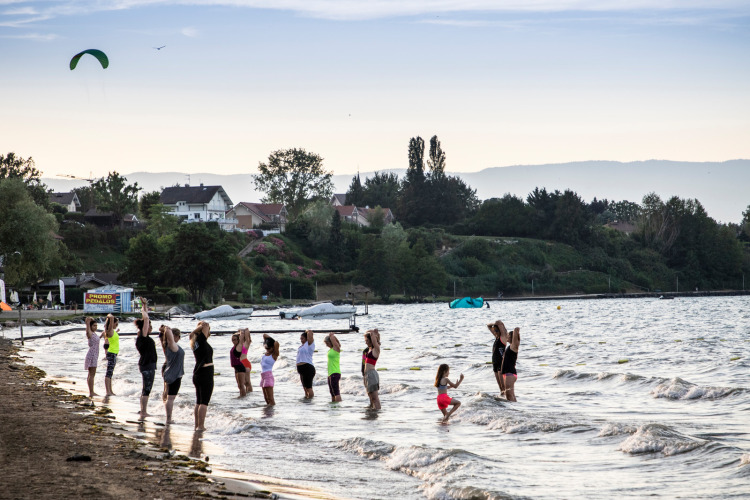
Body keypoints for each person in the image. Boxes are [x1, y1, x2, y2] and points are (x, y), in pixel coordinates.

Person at [134, 297, 157, 419]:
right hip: (147, 365)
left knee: (145, 388)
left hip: (145, 365)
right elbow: (146, 319)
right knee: (147, 389)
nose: (151, 328)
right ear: (145, 328)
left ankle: (142, 410)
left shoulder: (142, 338)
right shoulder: (143, 337)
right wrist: (144, 306)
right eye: (149, 326)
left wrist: (144, 306)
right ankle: (144, 411)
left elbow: (145, 319)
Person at [190, 321, 214, 431]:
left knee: (199, 401)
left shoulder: (195, 342)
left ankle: (197, 425)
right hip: (205, 372)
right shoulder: (200, 340)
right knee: (204, 401)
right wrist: (203, 326)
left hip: (198, 373)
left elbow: (193, 333)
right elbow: (205, 326)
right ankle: (200, 426)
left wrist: (198, 328)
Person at [159, 325, 185, 424]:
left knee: (168, 395)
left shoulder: (167, 344)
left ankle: (167, 415)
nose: (179, 338)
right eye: (179, 336)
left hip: (170, 372)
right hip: (173, 374)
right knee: (170, 398)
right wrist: (167, 329)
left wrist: (163, 331)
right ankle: (169, 419)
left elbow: (165, 336)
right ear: (175, 336)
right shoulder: (172, 346)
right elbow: (169, 335)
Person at [487, 320, 509, 397]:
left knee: (503, 386)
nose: (495, 331)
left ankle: (507, 400)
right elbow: (488, 325)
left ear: (500, 330)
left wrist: (499, 324)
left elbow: (498, 322)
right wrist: (494, 325)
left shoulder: (503, 337)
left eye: (496, 330)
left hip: (501, 363)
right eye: (494, 330)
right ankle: (502, 400)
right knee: (500, 388)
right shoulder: (497, 337)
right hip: (495, 363)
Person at [362, 329, 381, 410]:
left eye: (367, 340)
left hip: (372, 374)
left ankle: (377, 412)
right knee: (371, 397)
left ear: (371, 340)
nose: (365, 342)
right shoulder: (368, 349)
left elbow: (374, 339)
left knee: (375, 398)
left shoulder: (376, 349)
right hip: (367, 375)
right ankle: (372, 412)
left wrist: (373, 333)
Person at [501, 327, 521, 402]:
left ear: (512, 337)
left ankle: (514, 410)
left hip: (510, 373)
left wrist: (516, 331)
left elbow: (516, 331)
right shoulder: (510, 347)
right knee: (510, 395)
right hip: (507, 373)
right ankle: (514, 409)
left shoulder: (514, 346)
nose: (507, 336)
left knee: (509, 395)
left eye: (509, 335)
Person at [102, 314, 120, 396]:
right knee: (109, 373)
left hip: (114, 353)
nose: (116, 326)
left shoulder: (112, 331)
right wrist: (109, 317)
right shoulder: (109, 331)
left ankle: (110, 391)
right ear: (112, 324)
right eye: (116, 324)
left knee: (110, 373)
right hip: (111, 353)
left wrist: (117, 332)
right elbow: (111, 317)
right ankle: (107, 391)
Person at [83, 316, 100, 397]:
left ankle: (91, 391)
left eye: (96, 326)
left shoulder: (94, 334)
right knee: (92, 374)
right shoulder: (89, 332)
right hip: (92, 355)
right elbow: (87, 331)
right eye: (94, 325)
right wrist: (88, 323)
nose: (95, 327)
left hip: (95, 355)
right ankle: (91, 392)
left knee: (91, 374)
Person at [260, 333, 279, 405]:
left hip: (268, 375)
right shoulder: (266, 353)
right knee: (266, 398)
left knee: (270, 398)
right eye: (266, 348)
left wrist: (271, 342)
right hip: (263, 376)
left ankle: (272, 412)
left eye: (269, 348)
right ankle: (268, 412)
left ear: (273, 347)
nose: (267, 350)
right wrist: (267, 342)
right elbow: (264, 335)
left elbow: (276, 343)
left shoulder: (274, 355)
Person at [296, 329, 315, 399]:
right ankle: (307, 401)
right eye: (300, 339)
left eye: (302, 338)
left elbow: (310, 332)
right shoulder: (302, 346)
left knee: (309, 387)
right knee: (305, 388)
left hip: (308, 368)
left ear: (307, 339)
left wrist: (306, 331)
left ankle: (310, 402)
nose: (301, 340)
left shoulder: (309, 345)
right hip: (301, 369)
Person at [324, 333, 342, 402]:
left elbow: (336, 343)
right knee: (332, 393)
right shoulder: (331, 350)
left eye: (327, 343)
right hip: (330, 373)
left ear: (331, 342)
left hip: (335, 372)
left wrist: (332, 336)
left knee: (336, 392)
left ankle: (337, 407)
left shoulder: (336, 349)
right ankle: (333, 406)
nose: (326, 345)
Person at [230, 332, 248, 397]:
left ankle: (243, 397)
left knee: (241, 385)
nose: (233, 341)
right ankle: (242, 397)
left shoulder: (239, 346)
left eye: (235, 339)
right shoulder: (234, 347)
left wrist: (242, 333)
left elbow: (243, 339)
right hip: (236, 367)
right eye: (232, 340)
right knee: (239, 385)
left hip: (240, 367)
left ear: (238, 340)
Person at [239, 328, 253, 393]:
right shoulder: (238, 344)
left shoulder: (246, 343)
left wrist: (244, 330)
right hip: (239, 363)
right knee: (243, 382)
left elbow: (247, 333)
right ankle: (246, 394)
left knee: (247, 382)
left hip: (245, 362)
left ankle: (250, 393)